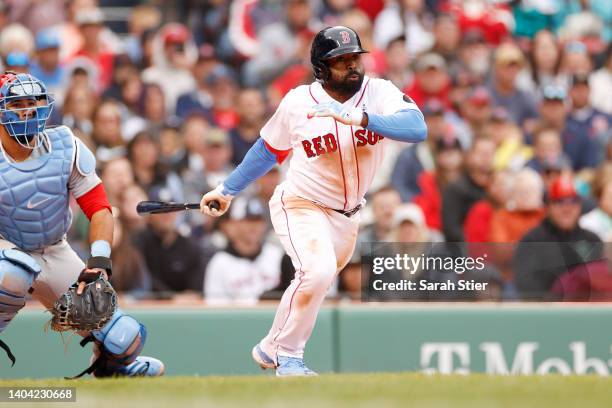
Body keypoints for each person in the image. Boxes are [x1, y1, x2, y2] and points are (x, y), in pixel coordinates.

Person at [200, 26, 427, 376]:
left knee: (315, 280)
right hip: (302, 204)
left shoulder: (377, 91)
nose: (352, 66)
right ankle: (289, 358)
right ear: (322, 67)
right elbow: (268, 150)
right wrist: (227, 190)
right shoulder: (298, 101)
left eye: (355, 58)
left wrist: (362, 118)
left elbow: (416, 128)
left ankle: (270, 345)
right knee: (316, 272)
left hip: (349, 217)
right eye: (341, 61)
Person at [0, 72, 163, 376]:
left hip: (53, 247)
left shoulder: (64, 145)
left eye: (32, 103)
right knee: (12, 271)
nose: (27, 111)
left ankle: (112, 371)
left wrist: (99, 262)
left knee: (124, 337)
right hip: (5, 248)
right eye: (16, 104)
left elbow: (100, 209)